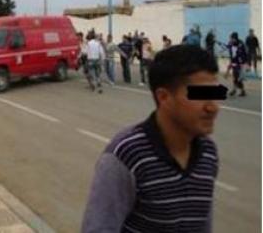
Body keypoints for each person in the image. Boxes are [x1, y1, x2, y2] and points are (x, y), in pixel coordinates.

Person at [82, 45, 221, 232]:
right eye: (201, 96)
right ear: (164, 97)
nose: (213, 108)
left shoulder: (208, 153)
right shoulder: (126, 157)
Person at [227, 32, 247, 97]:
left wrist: (244, 63)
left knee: (237, 77)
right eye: (230, 38)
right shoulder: (231, 44)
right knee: (235, 76)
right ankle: (237, 90)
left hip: (240, 62)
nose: (231, 39)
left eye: (232, 38)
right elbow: (231, 52)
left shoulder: (240, 44)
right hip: (234, 61)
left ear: (235, 38)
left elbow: (243, 54)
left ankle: (239, 90)